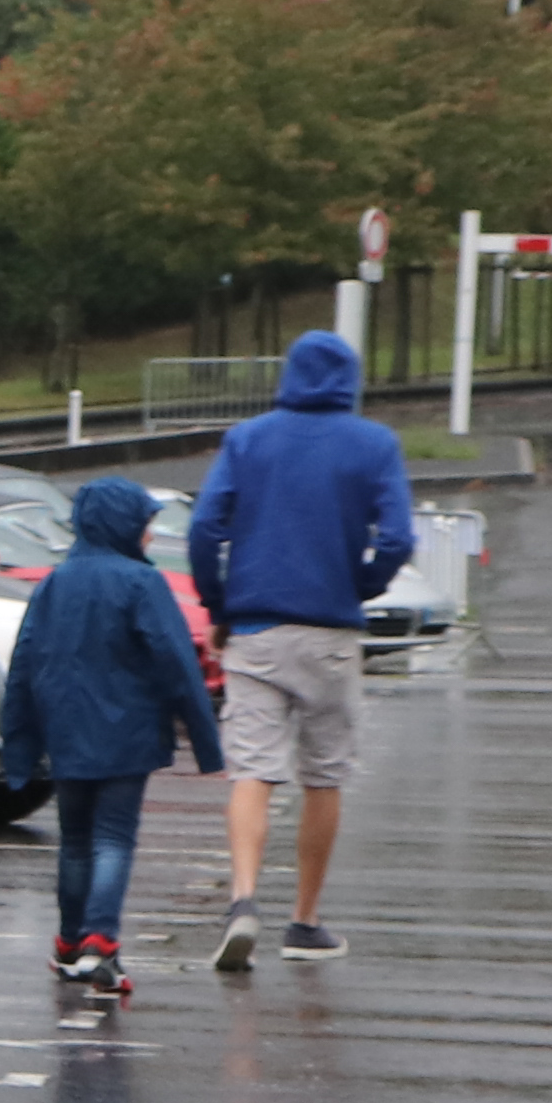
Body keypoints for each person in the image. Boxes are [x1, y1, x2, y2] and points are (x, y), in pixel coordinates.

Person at [187, 325, 415, 968]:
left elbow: (205, 528)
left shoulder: (248, 439)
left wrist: (219, 603)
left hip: (255, 629)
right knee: (324, 777)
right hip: (330, 635)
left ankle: (242, 900)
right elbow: (397, 538)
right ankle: (306, 922)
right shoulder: (374, 445)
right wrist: (359, 583)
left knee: (253, 771)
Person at [0, 475, 218, 994]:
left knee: (74, 839)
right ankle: (102, 942)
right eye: (145, 525)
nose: (148, 536)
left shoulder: (54, 582)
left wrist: (20, 738)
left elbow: (25, 661)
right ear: (124, 525)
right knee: (114, 837)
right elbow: (177, 662)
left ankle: (70, 943)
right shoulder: (142, 584)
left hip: (66, 730)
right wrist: (205, 738)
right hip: (130, 732)